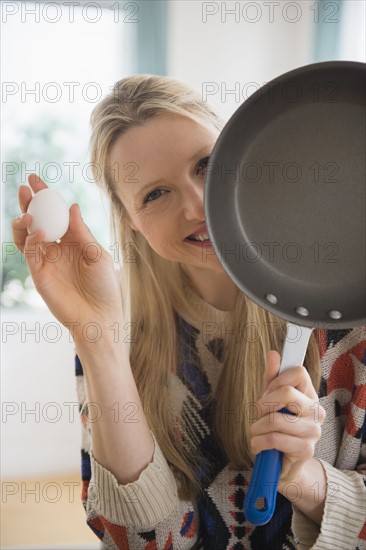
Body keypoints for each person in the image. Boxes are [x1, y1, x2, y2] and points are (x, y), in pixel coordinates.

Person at [12, 75, 366, 550]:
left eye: (207, 164)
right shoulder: (115, 334)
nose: (197, 204)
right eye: (155, 194)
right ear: (131, 223)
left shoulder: (350, 323)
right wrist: (99, 346)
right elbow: (140, 541)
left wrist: (304, 478)